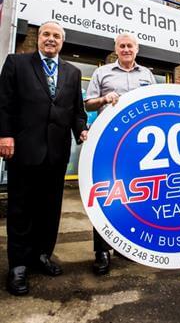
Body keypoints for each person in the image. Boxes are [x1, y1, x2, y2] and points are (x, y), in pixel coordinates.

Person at [0, 21, 88, 296]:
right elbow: (4, 103)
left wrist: (81, 131)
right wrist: (5, 136)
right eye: (46, 34)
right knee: (20, 210)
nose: (51, 39)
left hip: (57, 152)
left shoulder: (73, 72)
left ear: (63, 41)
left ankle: (42, 256)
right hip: (23, 149)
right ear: (39, 38)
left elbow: (77, 111)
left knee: (50, 209)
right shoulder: (16, 63)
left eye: (56, 36)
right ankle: (18, 266)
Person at [85, 33, 156, 275]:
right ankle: (102, 251)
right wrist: (105, 98)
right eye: (122, 46)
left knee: (134, 194)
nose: (126, 49)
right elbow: (87, 103)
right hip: (110, 141)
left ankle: (127, 246)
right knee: (106, 193)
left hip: (139, 144)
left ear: (137, 49)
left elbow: (156, 102)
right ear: (116, 49)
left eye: (130, 46)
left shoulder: (147, 75)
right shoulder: (101, 72)